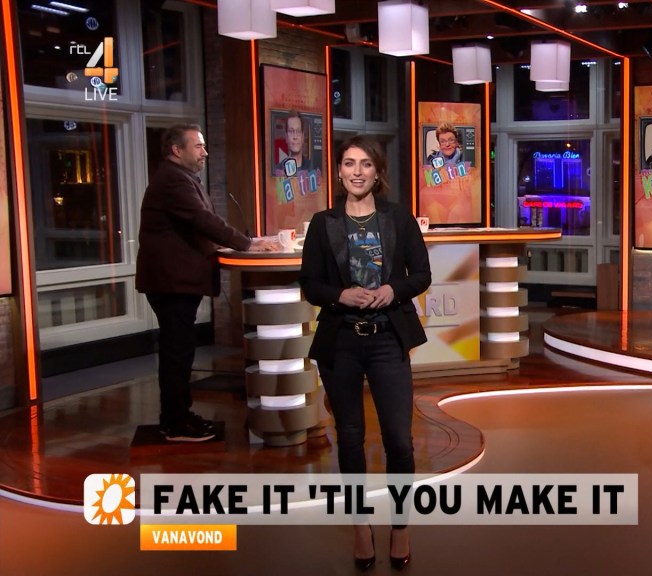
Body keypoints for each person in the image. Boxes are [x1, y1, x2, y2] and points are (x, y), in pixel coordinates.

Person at [299, 135, 431, 572]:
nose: (357, 171)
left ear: (378, 172)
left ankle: (400, 525)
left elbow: (422, 274)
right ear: (339, 172)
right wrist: (340, 295)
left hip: (388, 339)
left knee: (399, 440)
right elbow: (310, 284)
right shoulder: (323, 223)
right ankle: (360, 526)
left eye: (365, 164)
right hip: (341, 341)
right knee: (350, 438)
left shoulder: (399, 218)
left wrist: (393, 289)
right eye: (349, 163)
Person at [136, 124, 276, 442]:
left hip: (175, 281)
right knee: (176, 353)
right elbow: (203, 220)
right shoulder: (173, 180)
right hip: (171, 283)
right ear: (177, 150)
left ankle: (179, 416)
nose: (205, 153)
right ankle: (175, 423)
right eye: (198, 146)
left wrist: (243, 243)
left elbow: (201, 223)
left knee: (180, 352)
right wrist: (246, 244)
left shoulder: (181, 178)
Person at [277, 110, 313, 176]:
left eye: (298, 131)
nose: (295, 137)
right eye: (291, 131)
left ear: (303, 137)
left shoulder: (312, 168)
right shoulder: (278, 170)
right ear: (286, 137)